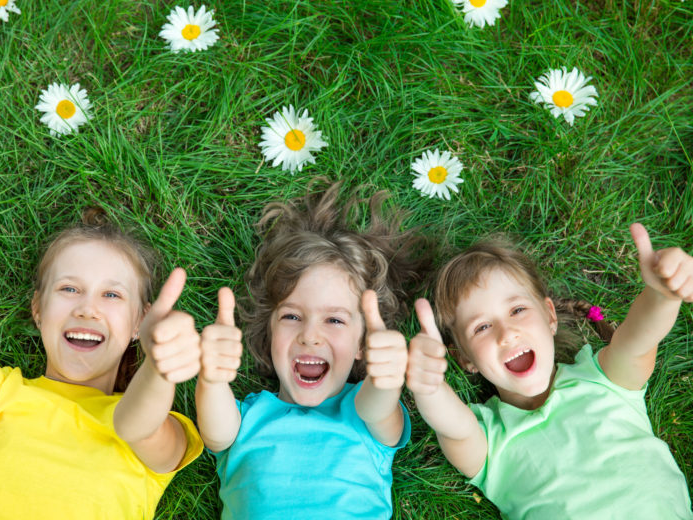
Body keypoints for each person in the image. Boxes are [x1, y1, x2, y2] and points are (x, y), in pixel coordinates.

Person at [0, 210, 203, 519]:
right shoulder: (1, 394)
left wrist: (159, 369)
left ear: (141, 321)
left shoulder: (149, 425)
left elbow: (140, 427)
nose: (87, 309)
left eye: (112, 294)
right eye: (69, 289)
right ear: (38, 309)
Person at [406, 223, 693, 519]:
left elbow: (638, 340)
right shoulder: (490, 441)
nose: (507, 334)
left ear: (549, 316)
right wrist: (429, 386)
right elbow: (452, 426)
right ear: (465, 359)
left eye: (517, 310)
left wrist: (661, 296)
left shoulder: (604, 380)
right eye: (482, 327)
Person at [196, 182, 431, 519]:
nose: (309, 336)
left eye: (334, 320)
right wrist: (213, 377)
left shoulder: (363, 413)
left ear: (363, 345)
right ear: (270, 331)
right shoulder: (247, 417)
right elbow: (216, 435)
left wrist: (386, 378)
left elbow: (379, 407)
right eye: (292, 316)